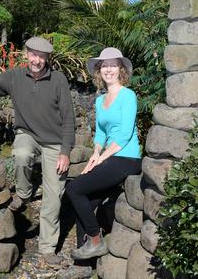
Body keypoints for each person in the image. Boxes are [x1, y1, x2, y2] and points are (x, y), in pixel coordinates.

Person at [0, 36, 75, 266]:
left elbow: (69, 118)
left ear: (47, 58)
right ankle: (24, 193)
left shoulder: (58, 80)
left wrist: (65, 151)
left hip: (54, 142)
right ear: (26, 54)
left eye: (42, 56)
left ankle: (48, 249)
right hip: (27, 134)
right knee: (21, 154)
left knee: (53, 196)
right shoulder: (15, 77)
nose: (37, 60)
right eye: (33, 55)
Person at [66, 47, 142, 260]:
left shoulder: (128, 96)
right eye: (104, 65)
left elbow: (124, 135)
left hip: (126, 157)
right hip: (109, 155)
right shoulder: (100, 100)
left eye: (113, 65)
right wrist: (95, 153)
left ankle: (96, 240)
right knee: (87, 202)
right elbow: (100, 133)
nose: (108, 69)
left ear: (120, 70)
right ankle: (86, 259)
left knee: (74, 189)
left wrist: (102, 158)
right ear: (100, 70)